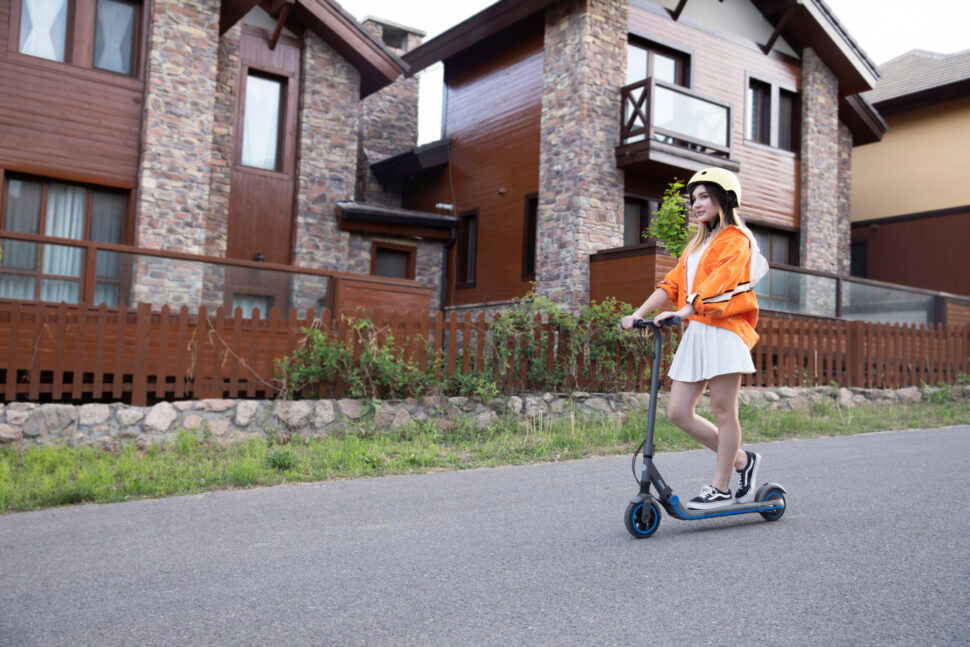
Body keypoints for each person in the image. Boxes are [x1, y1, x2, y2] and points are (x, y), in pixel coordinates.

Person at [621, 167, 761, 510]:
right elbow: (672, 284)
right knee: (679, 412)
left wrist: (683, 311)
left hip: (724, 331)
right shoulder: (696, 245)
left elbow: (720, 284)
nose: (696, 204)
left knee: (723, 411)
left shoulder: (736, 240)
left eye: (704, 197)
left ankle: (721, 488)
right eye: (693, 198)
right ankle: (743, 461)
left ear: (724, 199)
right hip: (697, 331)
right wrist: (638, 313)